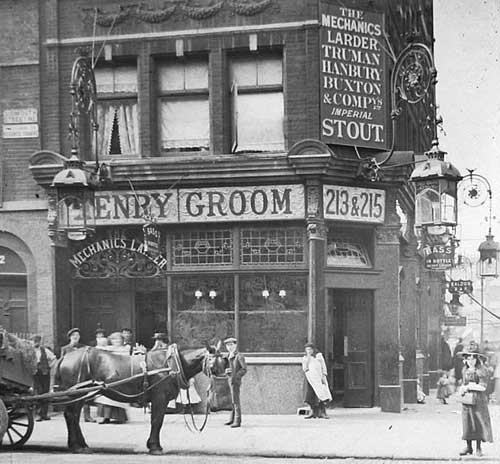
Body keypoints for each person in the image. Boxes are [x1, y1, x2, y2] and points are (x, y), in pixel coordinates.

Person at [457, 348, 493, 457]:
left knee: (478, 423)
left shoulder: (482, 370)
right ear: (465, 359)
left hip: (478, 400)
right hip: (467, 400)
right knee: (467, 423)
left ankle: (478, 448)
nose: (471, 360)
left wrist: (468, 387)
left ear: (477, 359)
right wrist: (462, 388)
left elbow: (483, 387)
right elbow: (463, 383)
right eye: (468, 357)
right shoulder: (465, 370)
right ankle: (469, 447)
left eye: (473, 358)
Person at [59, 328, 94, 422]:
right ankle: (71, 413)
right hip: (70, 375)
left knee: (86, 393)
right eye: (73, 335)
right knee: (71, 394)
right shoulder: (65, 349)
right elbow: (62, 361)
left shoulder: (84, 348)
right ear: (70, 337)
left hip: (82, 374)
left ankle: (87, 416)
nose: (75, 337)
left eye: (77, 335)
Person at [95, 332, 129, 424]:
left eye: (119, 339)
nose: (117, 341)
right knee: (105, 394)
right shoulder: (107, 349)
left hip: (120, 374)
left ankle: (118, 417)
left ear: (122, 340)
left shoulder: (125, 349)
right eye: (114, 339)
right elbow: (98, 349)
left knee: (118, 394)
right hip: (108, 373)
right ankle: (106, 417)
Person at [302, 343, 332, 419]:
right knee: (310, 395)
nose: (309, 351)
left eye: (310, 349)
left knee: (321, 393)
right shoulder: (305, 358)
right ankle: (313, 411)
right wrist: (308, 358)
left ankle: (322, 412)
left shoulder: (318, 356)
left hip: (319, 378)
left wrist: (324, 374)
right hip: (311, 379)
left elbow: (323, 365)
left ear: (313, 349)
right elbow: (305, 368)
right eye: (307, 349)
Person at [32, 335, 57, 421]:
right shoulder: (30, 351)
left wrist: (49, 366)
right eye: (35, 341)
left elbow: (54, 358)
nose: (36, 343)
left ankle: (44, 414)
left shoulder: (44, 350)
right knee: (39, 392)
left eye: (38, 341)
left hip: (45, 373)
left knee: (45, 392)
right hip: (35, 373)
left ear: (40, 342)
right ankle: (39, 414)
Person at [223, 337, 247, 428]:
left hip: (235, 381)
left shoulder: (239, 356)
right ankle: (231, 419)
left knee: (236, 401)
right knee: (231, 400)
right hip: (228, 380)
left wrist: (236, 376)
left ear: (235, 345)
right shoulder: (227, 356)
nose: (230, 347)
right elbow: (225, 367)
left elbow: (244, 369)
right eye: (228, 345)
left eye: (231, 345)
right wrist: (226, 371)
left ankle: (237, 421)